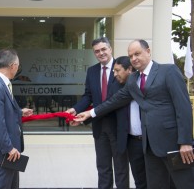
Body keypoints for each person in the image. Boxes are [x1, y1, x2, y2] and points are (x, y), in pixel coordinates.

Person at [74, 39, 194, 189]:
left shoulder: (168, 71)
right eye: (131, 56)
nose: (134, 59)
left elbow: (183, 107)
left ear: (148, 51)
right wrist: (90, 113)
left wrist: (186, 141)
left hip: (173, 144)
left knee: (184, 184)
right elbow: (115, 100)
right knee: (156, 185)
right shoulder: (133, 79)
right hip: (149, 147)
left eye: (137, 54)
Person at [66, 37, 129, 189]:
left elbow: (118, 98)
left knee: (121, 169)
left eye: (103, 49)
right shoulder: (92, 71)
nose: (101, 53)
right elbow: (88, 95)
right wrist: (76, 109)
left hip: (118, 126)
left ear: (110, 49)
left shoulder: (121, 68)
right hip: (99, 127)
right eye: (97, 51)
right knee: (103, 168)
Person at [0, 49, 33, 189]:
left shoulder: (3, 83)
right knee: (1, 185)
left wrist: (20, 112)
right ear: (13, 65)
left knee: (11, 185)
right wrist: (8, 147)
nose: (17, 69)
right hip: (4, 150)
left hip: (10, 148)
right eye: (18, 66)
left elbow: (3, 112)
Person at [111, 56, 147, 189]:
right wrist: (88, 115)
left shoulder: (147, 83)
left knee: (158, 178)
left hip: (152, 141)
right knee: (140, 181)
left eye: (117, 70)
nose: (114, 75)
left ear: (129, 70)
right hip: (133, 142)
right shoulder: (117, 87)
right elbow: (108, 105)